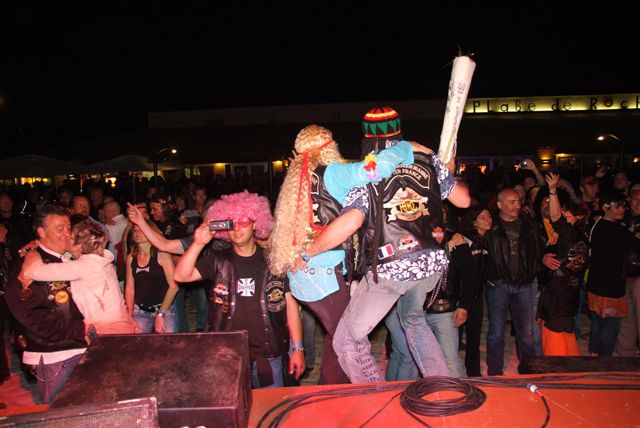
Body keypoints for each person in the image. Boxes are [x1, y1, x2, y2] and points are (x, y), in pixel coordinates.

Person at [296, 106, 470, 383]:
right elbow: (463, 200)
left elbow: (352, 221)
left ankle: (372, 394)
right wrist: (448, 169)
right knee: (414, 321)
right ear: (399, 131)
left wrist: (308, 252)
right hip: (431, 263)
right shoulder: (427, 160)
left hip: (393, 265)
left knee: (347, 340)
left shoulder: (370, 169)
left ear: (368, 137)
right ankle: (442, 387)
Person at [268, 122, 422, 384]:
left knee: (336, 341)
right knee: (351, 342)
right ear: (329, 147)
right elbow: (376, 169)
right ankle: (363, 393)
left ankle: (328, 395)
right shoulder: (332, 173)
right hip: (322, 273)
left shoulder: (297, 180)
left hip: (305, 275)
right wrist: (404, 148)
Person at [174, 191, 305, 388]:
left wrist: (298, 348)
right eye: (231, 223)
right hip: (228, 356)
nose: (237, 228)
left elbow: (291, 307)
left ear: (255, 223)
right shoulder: (218, 260)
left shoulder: (274, 261)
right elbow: (180, 276)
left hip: (269, 355)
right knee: (234, 407)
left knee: (271, 405)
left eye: (243, 221)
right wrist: (198, 243)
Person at [4, 204, 88, 403]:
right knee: (61, 411)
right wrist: (80, 330)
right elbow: (30, 315)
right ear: (41, 232)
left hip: (81, 346)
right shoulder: (30, 265)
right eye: (60, 228)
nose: (67, 233)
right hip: (56, 355)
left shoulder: (70, 259)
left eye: (68, 228)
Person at [21, 220, 138, 335]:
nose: (67, 237)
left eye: (71, 237)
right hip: (120, 325)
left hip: (109, 332)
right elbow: (69, 258)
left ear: (80, 246)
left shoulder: (83, 267)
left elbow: (33, 271)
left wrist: (32, 251)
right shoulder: (101, 259)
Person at [484, 188, 546, 376]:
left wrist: (534, 270)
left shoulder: (529, 224)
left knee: (526, 333)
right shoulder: (490, 226)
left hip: (524, 284)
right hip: (499, 285)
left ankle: (527, 369)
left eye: (518, 201)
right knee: (496, 332)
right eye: (512, 202)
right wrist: (491, 277)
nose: (517, 205)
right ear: (499, 204)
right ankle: (495, 371)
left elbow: (539, 250)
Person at [536, 173, 589, 356]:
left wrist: (552, 190)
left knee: (554, 339)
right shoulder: (581, 238)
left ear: (576, 217)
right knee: (567, 335)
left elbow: (555, 215)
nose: (562, 217)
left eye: (567, 214)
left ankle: (556, 370)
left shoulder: (568, 233)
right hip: (570, 294)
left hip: (557, 296)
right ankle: (571, 367)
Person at [586, 189, 640, 356]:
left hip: (595, 284)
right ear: (606, 207)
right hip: (611, 287)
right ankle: (605, 360)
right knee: (611, 327)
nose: (622, 210)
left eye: (623, 206)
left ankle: (594, 355)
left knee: (597, 324)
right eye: (617, 207)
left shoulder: (596, 225)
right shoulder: (617, 230)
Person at [125, 222, 179, 333]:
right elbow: (129, 288)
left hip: (165, 309)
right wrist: (129, 315)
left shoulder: (162, 255)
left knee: (169, 342)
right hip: (141, 310)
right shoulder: (131, 257)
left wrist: (160, 314)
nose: (137, 233)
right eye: (135, 230)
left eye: (141, 229)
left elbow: (174, 287)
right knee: (137, 341)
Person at [460, 205, 492, 376]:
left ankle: (473, 373)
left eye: (489, 217)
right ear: (474, 222)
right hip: (461, 296)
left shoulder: (488, 240)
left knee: (474, 337)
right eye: (483, 218)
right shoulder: (466, 241)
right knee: (455, 337)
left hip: (477, 295)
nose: (488, 220)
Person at [616, 183, 640, 356]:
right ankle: (627, 354)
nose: (639, 203)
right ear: (629, 200)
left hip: (639, 277)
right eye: (636, 199)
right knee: (624, 318)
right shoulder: (620, 219)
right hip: (622, 276)